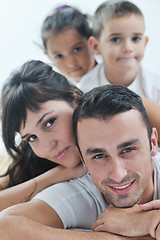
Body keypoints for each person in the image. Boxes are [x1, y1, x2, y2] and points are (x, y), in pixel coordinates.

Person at [0, 85, 160, 239]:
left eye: (127, 150)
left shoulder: (129, 105)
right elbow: (5, 227)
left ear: (153, 142)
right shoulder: (77, 191)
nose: (118, 175)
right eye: (98, 156)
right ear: (82, 159)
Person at [0, 59, 86, 211]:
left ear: (76, 99)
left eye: (49, 122)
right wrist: (60, 174)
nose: (47, 147)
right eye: (31, 138)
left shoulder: (116, 118)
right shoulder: (34, 158)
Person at [78, 0, 160, 105]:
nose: (128, 48)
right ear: (95, 46)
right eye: (115, 39)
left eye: (135, 38)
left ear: (145, 43)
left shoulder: (156, 87)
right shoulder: (86, 88)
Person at [41, 4, 97, 84]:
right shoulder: (61, 91)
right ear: (49, 57)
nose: (71, 63)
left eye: (76, 49)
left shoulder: (114, 74)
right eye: (59, 56)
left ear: (92, 43)